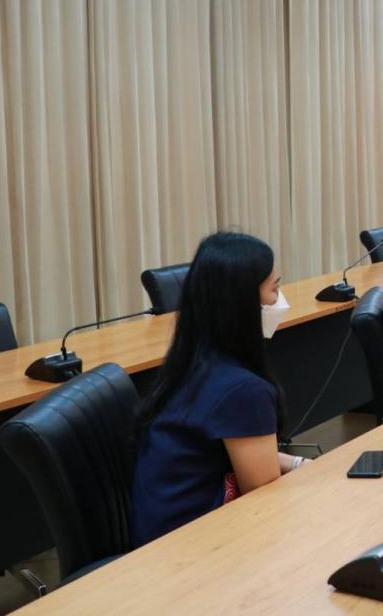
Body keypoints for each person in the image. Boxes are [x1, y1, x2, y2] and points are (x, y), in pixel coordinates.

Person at [131, 232, 306, 547]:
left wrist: (298, 465)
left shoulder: (192, 360)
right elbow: (264, 499)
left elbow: (241, 449)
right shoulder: (242, 390)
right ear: (243, 303)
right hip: (195, 547)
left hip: (162, 535)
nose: (280, 301)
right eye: (274, 288)